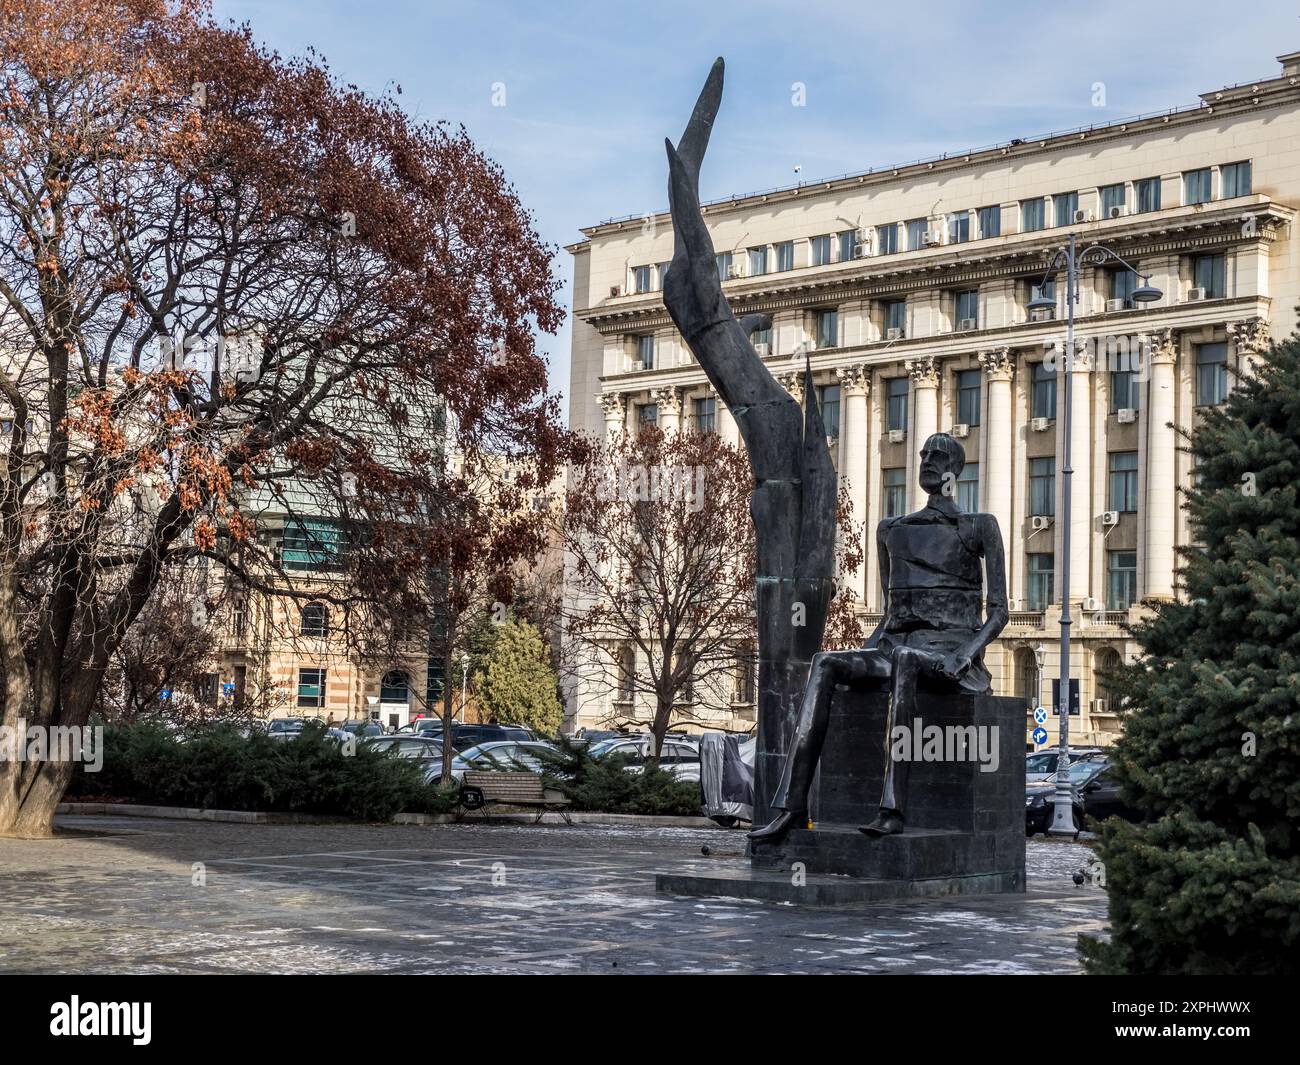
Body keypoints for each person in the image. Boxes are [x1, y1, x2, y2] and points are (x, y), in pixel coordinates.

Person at [749, 433, 1008, 842]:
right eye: (923, 454)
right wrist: (863, 659)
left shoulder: (978, 527)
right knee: (827, 662)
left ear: (955, 470)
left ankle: (892, 809)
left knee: (905, 658)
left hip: (949, 654)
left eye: (937, 455)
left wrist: (966, 654)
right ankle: (792, 807)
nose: (926, 460)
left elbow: (999, 612)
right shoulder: (892, 530)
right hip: (897, 644)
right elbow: (891, 613)